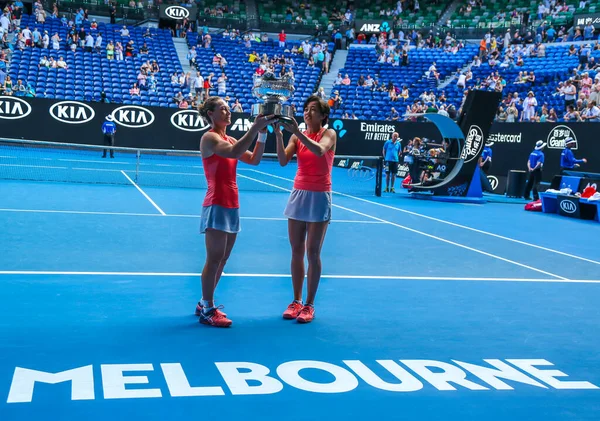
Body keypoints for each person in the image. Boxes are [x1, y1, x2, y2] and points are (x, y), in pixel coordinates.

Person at [195, 97, 277, 327]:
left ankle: (204, 302)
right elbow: (232, 153)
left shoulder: (229, 138)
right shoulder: (209, 138)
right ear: (211, 114)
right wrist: (254, 128)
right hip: (216, 203)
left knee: (223, 258)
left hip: (232, 204)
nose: (228, 112)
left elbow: (254, 159)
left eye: (229, 109)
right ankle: (208, 308)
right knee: (213, 259)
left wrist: (262, 134)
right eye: (222, 109)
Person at [274, 95, 337, 324]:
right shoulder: (295, 137)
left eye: (312, 110)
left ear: (323, 115)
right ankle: (296, 301)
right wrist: (280, 134)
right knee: (296, 251)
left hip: (320, 195)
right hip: (298, 193)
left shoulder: (329, 134)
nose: (307, 113)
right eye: (306, 109)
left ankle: (309, 305)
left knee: (313, 252)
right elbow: (282, 160)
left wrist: (298, 132)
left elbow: (320, 151)